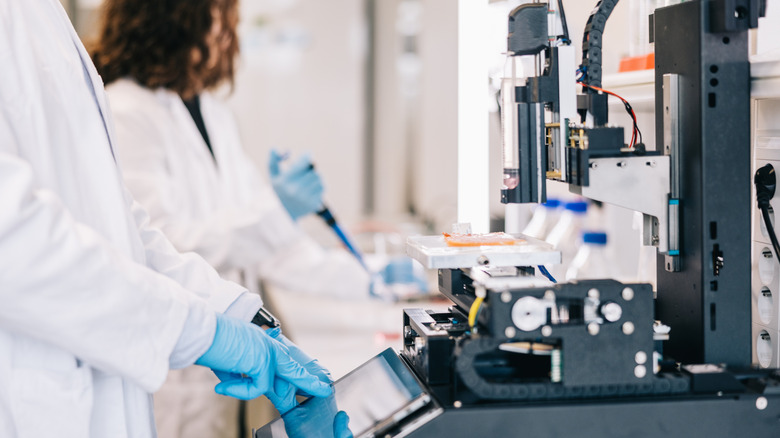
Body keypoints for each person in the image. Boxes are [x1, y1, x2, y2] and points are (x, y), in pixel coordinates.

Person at [0, 0, 338, 437]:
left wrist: (242, 316)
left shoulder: (40, 15)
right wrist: (203, 331)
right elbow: (16, 241)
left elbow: (120, 226)